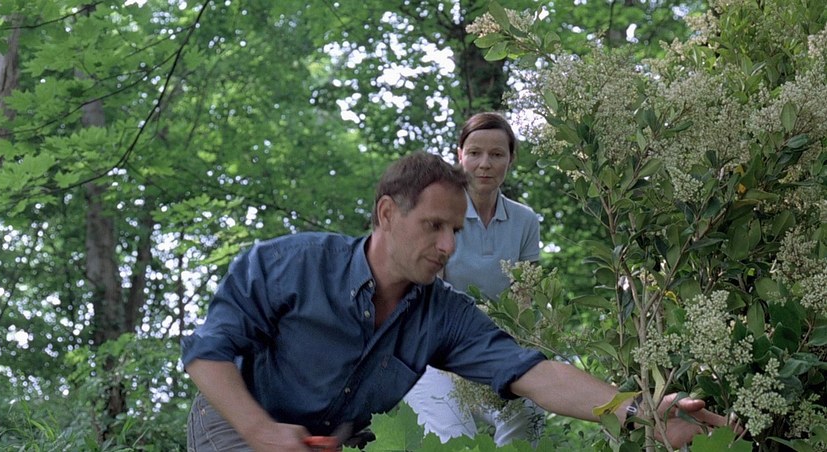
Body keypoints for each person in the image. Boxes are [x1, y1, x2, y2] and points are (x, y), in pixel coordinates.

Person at [181, 151, 733, 451]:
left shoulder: (444, 314)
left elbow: (536, 375)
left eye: (457, 230)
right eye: (434, 226)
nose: (448, 246)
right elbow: (206, 354)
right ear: (387, 214)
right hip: (239, 422)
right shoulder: (289, 263)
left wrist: (640, 412)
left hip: (339, 439)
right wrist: (261, 432)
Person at [403, 112, 545, 446]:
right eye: (475, 153)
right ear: (460, 156)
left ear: (510, 159)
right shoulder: (438, 214)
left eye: (497, 154)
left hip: (496, 353)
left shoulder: (525, 221)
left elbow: (525, 303)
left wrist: (519, 356)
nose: (485, 164)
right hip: (434, 355)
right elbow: (429, 297)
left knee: (531, 412)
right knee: (453, 439)